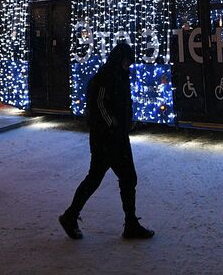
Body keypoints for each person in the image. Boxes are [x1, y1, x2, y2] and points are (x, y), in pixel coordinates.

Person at [59, 41, 153, 240]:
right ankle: (130, 224)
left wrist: (128, 120)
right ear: (120, 59)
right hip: (107, 140)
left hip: (115, 137)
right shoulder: (105, 78)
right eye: (126, 61)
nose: (128, 65)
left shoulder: (118, 76)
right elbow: (100, 106)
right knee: (124, 178)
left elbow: (121, 104)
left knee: (100, 179)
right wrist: (114, 124)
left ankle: (71, 215)